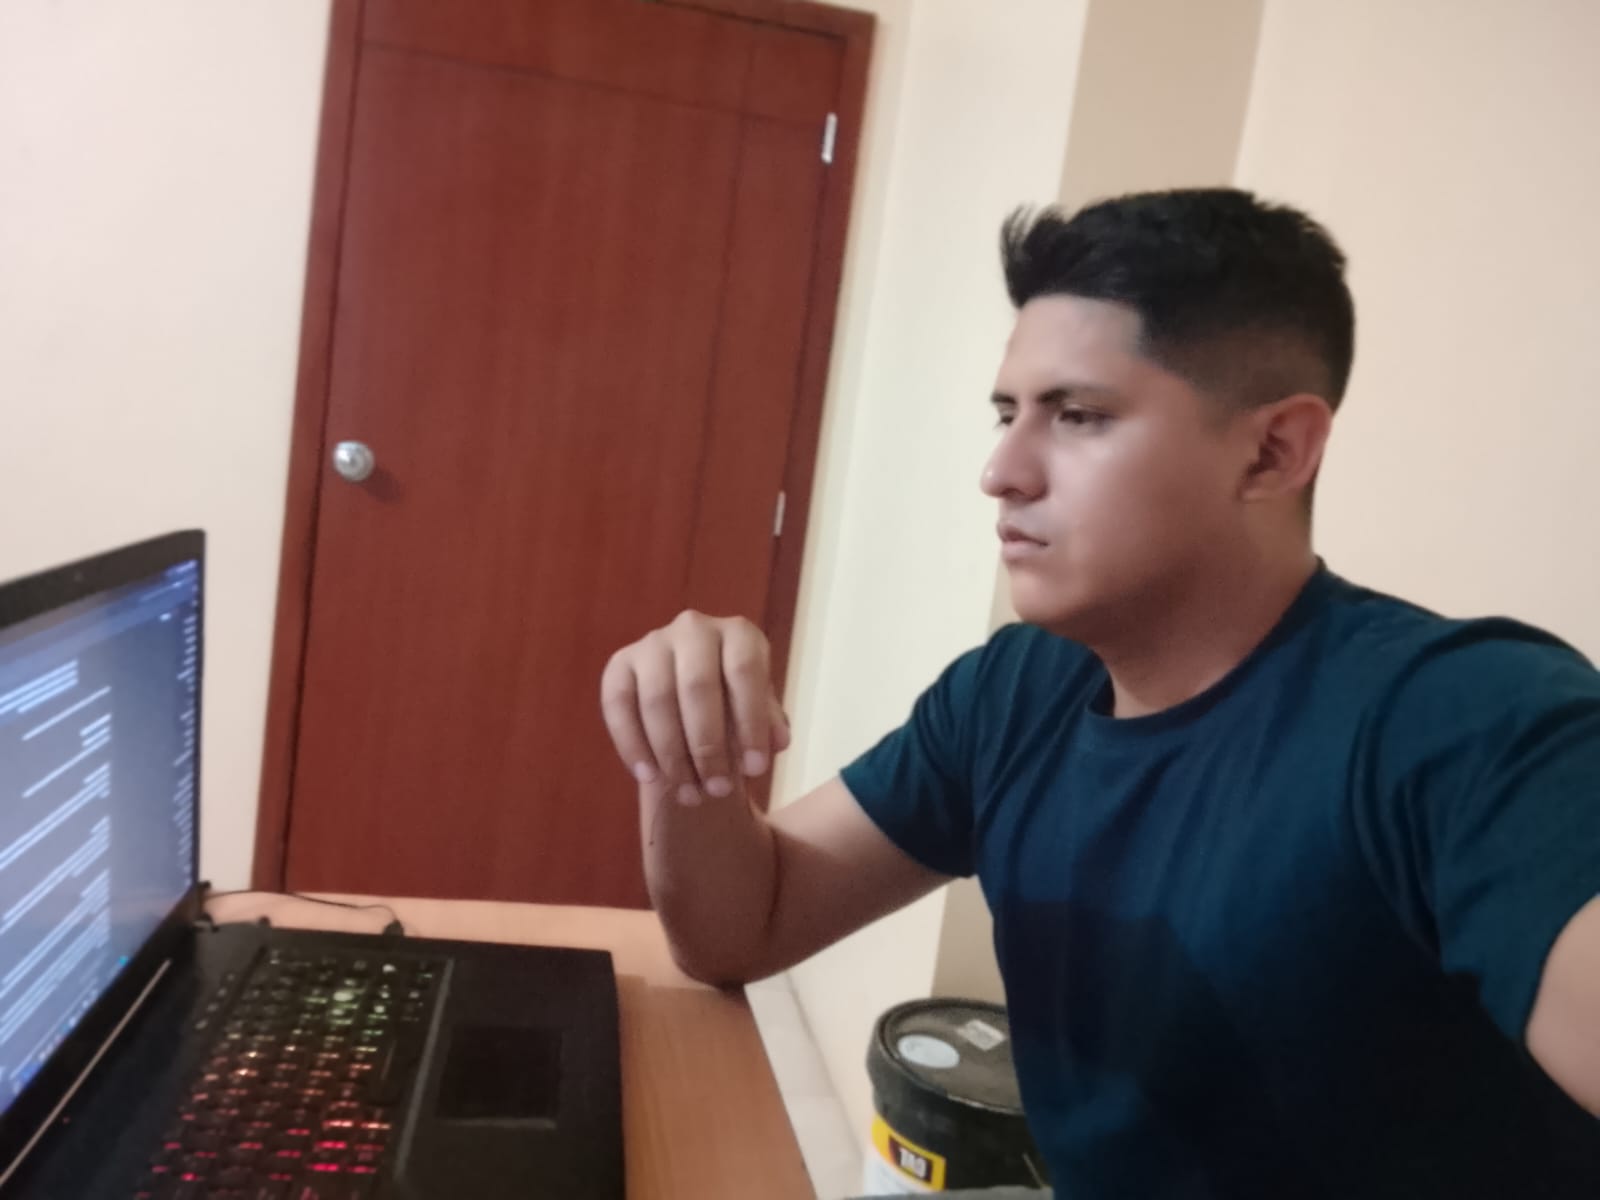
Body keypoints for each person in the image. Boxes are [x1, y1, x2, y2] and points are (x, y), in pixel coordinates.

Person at [599, 188, 1600, 1197]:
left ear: (1273, 452)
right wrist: (687, 747)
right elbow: (744, 930)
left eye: (1077, 416)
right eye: (1007, 414)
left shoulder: (1465, 720)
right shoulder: (1016, 691)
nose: (1001, 471)